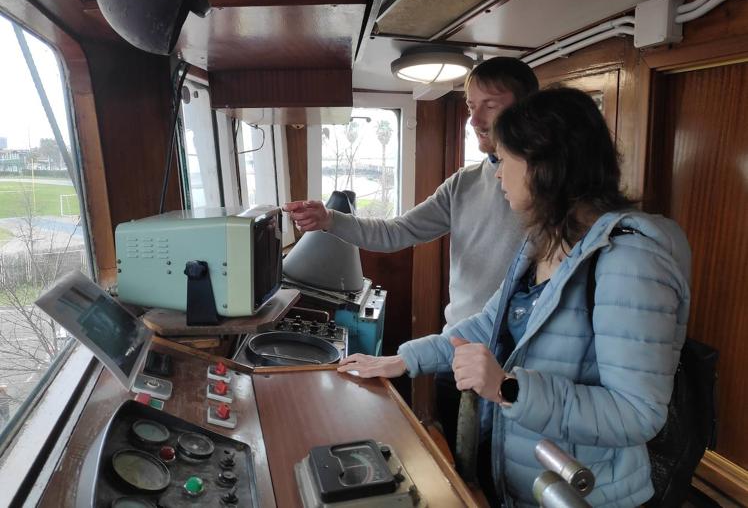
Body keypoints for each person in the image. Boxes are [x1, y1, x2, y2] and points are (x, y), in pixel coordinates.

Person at [337, 87, 691, 507]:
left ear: (545, 164)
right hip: (529, 483)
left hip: (591, 494)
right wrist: (403, 359)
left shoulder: (629, 260)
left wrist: (508, 389)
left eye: (504, 160)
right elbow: (488, 325)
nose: (498, 174)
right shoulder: (542, 242)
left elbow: (637, 414)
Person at [284, 58, 538, 450]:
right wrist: (330, 219)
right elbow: (398, 231)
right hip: (458, 348)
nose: (475, 120)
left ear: (527, 109)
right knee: (462, 468)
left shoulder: (554, 196)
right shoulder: (465, 183)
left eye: (491, 105)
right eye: (471, 107)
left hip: (523, 363)